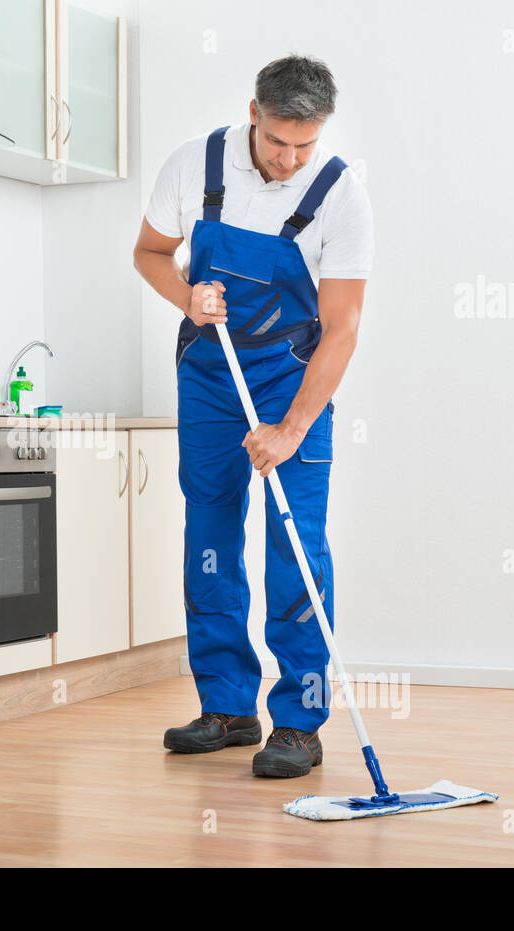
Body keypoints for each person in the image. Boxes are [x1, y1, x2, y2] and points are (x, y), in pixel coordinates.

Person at [132, 55, 373, 777]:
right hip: (209, 375)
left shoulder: (339, 195)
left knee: (294, 543)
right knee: (208, 532)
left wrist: (291, 427)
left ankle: (298, 722)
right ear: (253, 113)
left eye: (305, 144)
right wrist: (187, 298)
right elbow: (149, 253)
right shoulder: (193, 166)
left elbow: (344, 327)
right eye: (277, 142)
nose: (290, 158)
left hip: (294, 382)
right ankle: (228, 707)